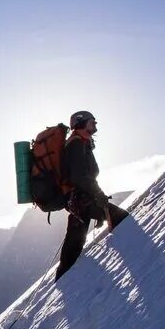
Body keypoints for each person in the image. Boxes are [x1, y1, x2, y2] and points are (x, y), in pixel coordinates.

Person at [56, 110, 129, 279]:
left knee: (73, 245)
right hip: (82, 200)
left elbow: (83, 176)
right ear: (81, 123)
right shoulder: (76, 144)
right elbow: (80, 176)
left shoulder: (81, 142)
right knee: (121, 218)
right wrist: (98, 194)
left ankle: (63, 280)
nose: (95, 124)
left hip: (80, 201)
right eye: (92, 121)